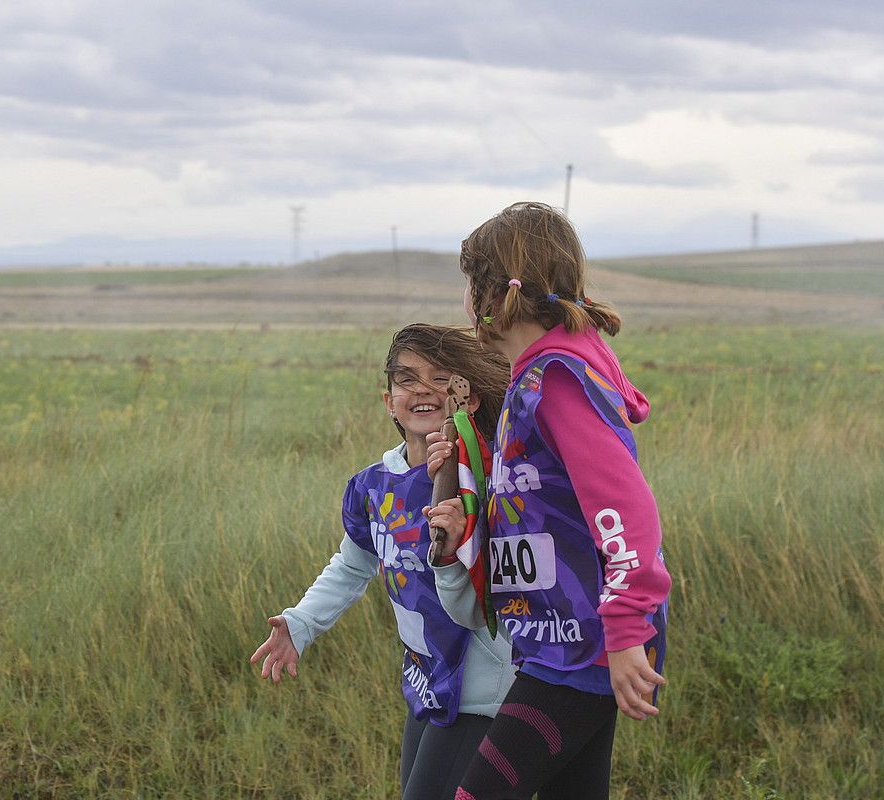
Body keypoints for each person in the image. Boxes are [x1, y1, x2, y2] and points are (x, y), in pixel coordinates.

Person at [425, 202, 671, 800]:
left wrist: (625, 626)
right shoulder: (533, 377)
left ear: (491, 290)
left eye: (467, 280)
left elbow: (624, 512)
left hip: (585, 641)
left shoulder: (558, 380)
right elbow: (541, 505)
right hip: (558, 636)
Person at [250, 323, 517, 800]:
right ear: (388, 400)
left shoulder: (490, 479)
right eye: (407, 379)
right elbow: (353, 566)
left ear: (468, 397)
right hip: (426, 680)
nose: (423, 390)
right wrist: (301, 623)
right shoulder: (374, 486)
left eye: (441, 378)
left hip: (481, 689)